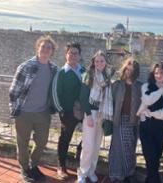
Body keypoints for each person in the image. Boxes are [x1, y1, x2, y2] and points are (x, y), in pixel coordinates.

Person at [9, 35, 58, 183]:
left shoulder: (54, 69)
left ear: (52, 52)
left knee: (42, 141)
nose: (45, 50)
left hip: (43, 112)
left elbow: (55, 90)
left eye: (48, 48)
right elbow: (13, 90)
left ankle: (33, 164)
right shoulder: (26, 66)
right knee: (22, 142)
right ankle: (25, 168)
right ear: (37, 48)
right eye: (43, 47)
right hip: (24, 112)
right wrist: (15, 109)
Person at [77, 50, 114, 183]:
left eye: (101, 61)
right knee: (88, 145)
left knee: (96, 145)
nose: (99, 63)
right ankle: (82, 173)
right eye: (96, 61)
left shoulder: (108, 77)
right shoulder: (89, 75)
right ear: (93, 62)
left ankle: (91, 170)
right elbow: (83, 97)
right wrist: (88, 116)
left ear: (106, 62)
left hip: (102, 113)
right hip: (91, 113)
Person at [137, 62, 163, 183]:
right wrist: (160, 90)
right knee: (150, 158)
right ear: (152, 74)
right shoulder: (146, 86)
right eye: (156, 73)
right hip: (145, 127)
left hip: (160, 128)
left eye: (161, 73)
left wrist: (152, 114)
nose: (159, 75)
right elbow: (148, 100)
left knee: (154, 160)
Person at [52, 42, 85, 180]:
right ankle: (61, 166)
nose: (73, 55)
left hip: (83, 110)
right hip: (68, 112)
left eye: (75, 53)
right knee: (65, 138)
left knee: (89, 136)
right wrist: (61, 110)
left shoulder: (84, 71)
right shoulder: (61, 73)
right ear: (66, 55)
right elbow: (54, 93)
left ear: (79, 55)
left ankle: (79, 153)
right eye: (70, 52)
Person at [108, 57, 142, 183]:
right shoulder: (117, 84)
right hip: (119, 120)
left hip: (133, 121)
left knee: (129, 147)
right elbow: (109, 100)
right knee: (117, 147)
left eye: (132, 68)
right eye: (127, 67)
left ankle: (129, 173)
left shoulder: (140, 86)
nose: (129, 71)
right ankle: (116, 174)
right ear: (124, 69)